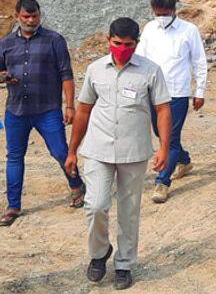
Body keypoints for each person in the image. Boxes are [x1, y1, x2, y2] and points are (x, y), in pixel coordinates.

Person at [65, 17, 172, 290]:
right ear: (108, 41)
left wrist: (164, 147)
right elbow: (84, 110)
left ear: (137, 43)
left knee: (129, 210)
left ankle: (124, 263)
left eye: (128, 44)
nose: (122, 49)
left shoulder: (150, 71)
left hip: (134, 151)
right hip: (98, 149)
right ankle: (100, 253)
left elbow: (162, 110)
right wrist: (72, 150)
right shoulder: (95, 69)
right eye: (116, 44)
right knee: (96, 205)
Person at [0, 0, 85, 227]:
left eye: (34, 16)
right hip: (16, 111)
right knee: (14, 157)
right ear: (17, 16)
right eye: (26, 16)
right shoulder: (5, 43)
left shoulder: (54, 40)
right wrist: (4, 76)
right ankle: (13, 206)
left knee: (60, 152)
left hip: (47, 110)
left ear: (40, 15)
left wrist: (69, 106)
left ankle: (77, 186)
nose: (30, 20)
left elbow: (66, 74)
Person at [135, 0, 207, 204]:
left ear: (174, 10)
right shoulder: (149, 29)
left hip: (177, 93)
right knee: (162, 134)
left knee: (169, 139)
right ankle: (184, 160)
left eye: (166, 13)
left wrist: (200, 91)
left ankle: (162, 182)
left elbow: (199, 62)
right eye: (158, 13)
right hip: (152, 92)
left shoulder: (189, 31)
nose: (162, 17)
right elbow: (140, 58)